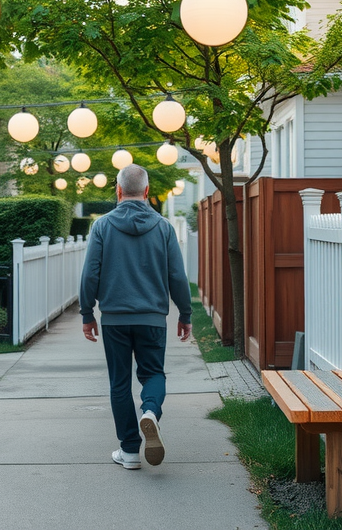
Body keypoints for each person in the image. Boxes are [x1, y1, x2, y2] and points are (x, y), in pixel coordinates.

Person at [79, 164, 193, 470]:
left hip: (114, 318)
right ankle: (151, 412)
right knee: (153, 374)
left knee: (120, 382)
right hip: (153, 318)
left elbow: (90, 274)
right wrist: (185, 312)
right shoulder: (164, 227)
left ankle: (129, 452)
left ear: (117, 190)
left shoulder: (102, 227)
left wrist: (87, 312)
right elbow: (178, 277)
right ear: (146, 191)